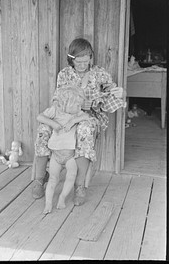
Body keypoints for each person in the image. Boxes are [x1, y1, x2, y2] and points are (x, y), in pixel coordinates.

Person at [31, 37, 125, 205]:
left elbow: (112, 90)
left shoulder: (98, 73)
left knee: (84, 130)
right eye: (78, 62)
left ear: (91, 58)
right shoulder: (65, 74)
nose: (83, 65)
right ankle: (39, 178)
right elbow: (57, 99)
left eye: (86, 61)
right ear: (71, 59)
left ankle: (79, 185)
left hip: (90, 115)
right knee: (44, 128)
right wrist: (58, 114)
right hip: (64, 114)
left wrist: (118, 91)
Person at [40, 86, 90, 214]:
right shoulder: (55, 111)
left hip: (70, 156)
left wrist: (73, 120)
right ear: (65, 103)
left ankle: (62, 198)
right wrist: (53, 124)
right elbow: (40, 117)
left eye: (80, 105)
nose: (80, 107)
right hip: (56, 155)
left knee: (71, 176)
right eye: (77, 105)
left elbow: (86, 116)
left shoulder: (76, 113)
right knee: (53, 179)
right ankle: (48, 203)